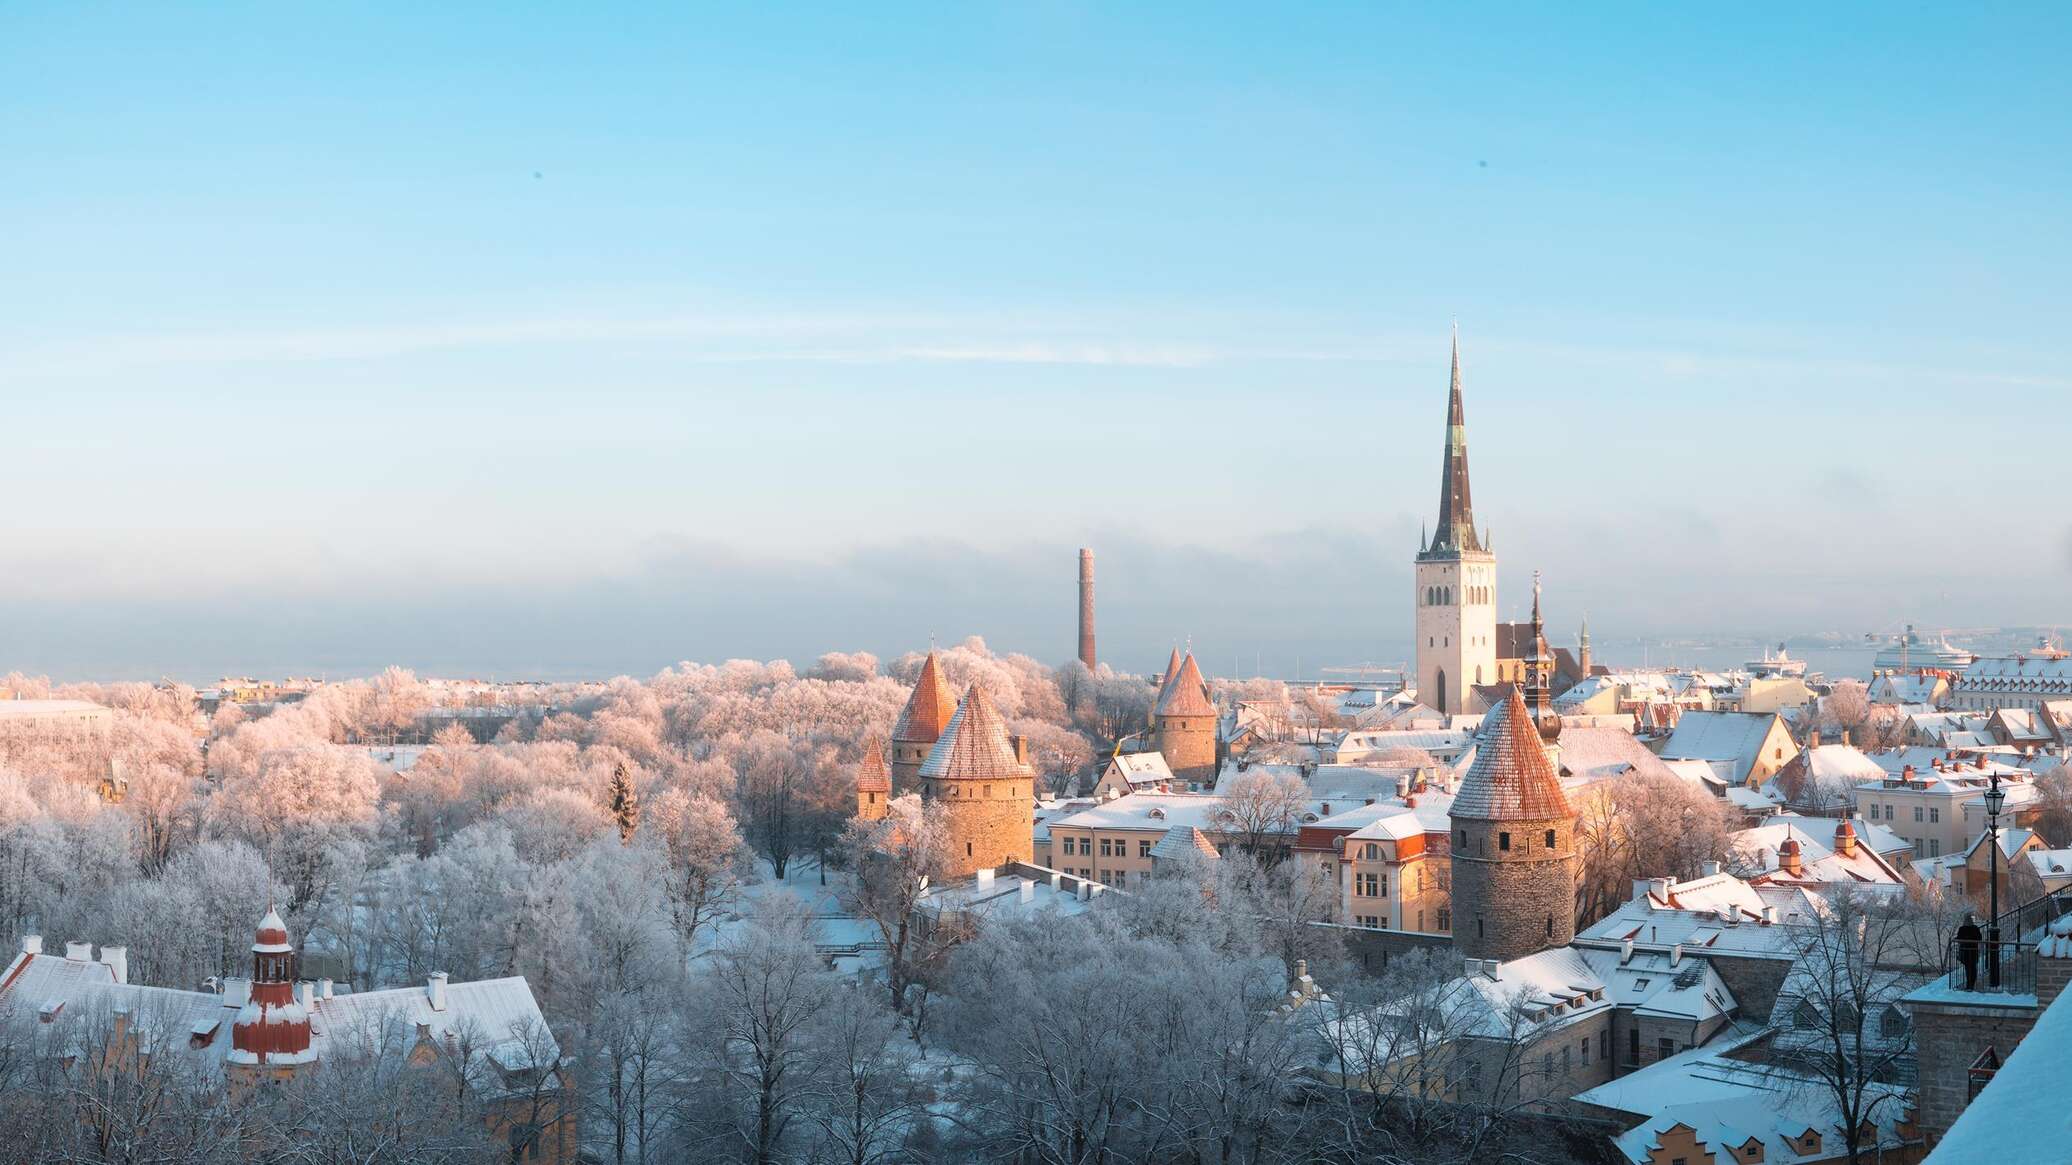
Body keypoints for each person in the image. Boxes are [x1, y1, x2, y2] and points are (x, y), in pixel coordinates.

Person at [1956, 912, 1983, 990]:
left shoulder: (1962, 928)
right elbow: (1979, 938)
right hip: (1973, 950)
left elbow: (1959, 938)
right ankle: (1972, 984)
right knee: (1973, 967)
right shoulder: (1975, 928)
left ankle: (1969, 985)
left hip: (1965, 951)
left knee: (1968, 968)